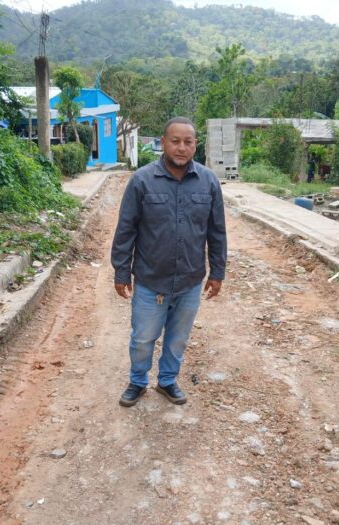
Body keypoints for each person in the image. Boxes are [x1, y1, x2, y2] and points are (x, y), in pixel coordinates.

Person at [111, 117, 227, 407]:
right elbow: (126, 229)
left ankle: (167, 381)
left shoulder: (208, 181)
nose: (181, 147)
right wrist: (121, 272)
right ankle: (138, 381)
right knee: (143, 338)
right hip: (151, 279)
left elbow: (217, 231)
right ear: (163, 143)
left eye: (188, 142)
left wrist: (217, 272)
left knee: (178, 338)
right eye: (175, 141)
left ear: (195, 145)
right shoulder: (142, 180)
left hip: (190, 280)